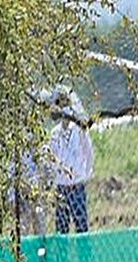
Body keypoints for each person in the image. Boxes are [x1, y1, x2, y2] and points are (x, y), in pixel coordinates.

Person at [47, 88, 95, 235]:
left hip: (76, 185)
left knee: (81, 226)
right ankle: (63, 258)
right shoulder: (54, 133)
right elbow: (51, 158)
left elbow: (88, 152)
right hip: (61, 187)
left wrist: (85, 173)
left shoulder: (79, 131)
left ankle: (84, 258)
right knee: (62, 229)